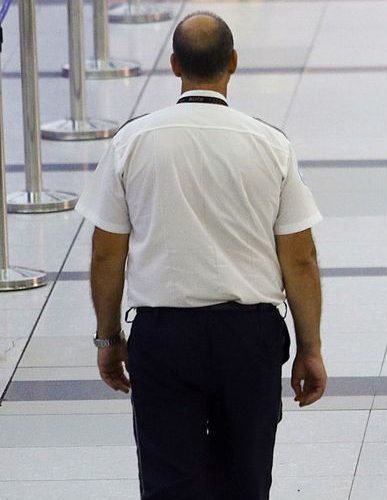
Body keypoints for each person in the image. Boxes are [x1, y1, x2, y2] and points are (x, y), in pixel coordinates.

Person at [76, 12, 327, 498]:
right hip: (248, 338)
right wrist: (310, 348)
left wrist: (108, 338)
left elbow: (106, 254)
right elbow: (300, 259)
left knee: (169, 482)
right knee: (246, 478)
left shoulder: (133, 141)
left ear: (174, 65)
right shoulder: (270, 145)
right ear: (233, 62)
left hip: (164, 337)